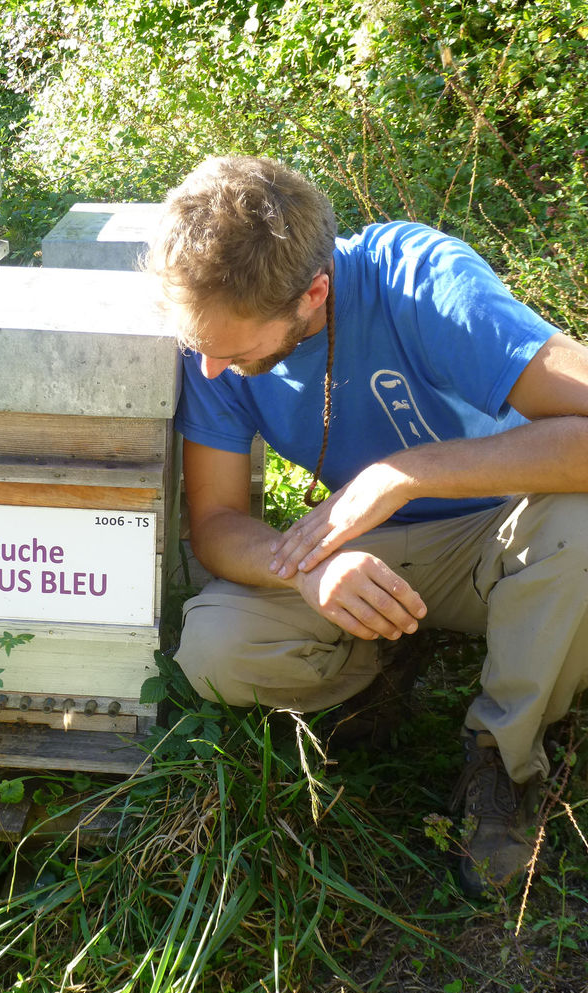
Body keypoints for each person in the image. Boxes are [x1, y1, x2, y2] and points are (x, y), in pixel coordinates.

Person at [147, 154, 588, 896]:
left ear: (312, 294)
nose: (212, 370)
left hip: (507, 535)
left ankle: (503, 757)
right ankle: (375, 674)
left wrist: (403, 472)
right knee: (215, 650)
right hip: (357, 546)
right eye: (201, 349)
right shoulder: (212, 344)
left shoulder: (422, 280)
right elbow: (217, 525)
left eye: (235, 350)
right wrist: (312, 573)